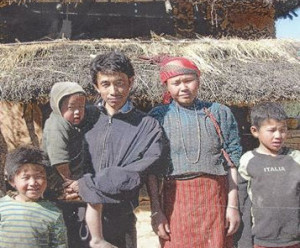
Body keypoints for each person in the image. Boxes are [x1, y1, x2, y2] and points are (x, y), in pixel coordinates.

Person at [65, 51, 165, 248]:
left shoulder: (147, 126)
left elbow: (137, 171)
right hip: (78, 213)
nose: (113, 91)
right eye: (105, 84)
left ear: (131, 81)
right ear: (96, 86)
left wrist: (87, 185)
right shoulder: (84, 118)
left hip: (121, 216)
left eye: (119, 82)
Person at [147, 56, 242, 248]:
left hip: (215, 196)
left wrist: (232, 206)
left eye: (188, 80)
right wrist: (156, 210)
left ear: (198, 80)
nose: (183, 87)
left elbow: (232, 161)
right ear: (167, 86)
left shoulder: (219, 112)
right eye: (176, 83)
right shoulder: (158, 117)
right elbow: (151, 169)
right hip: (175, 200)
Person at [42, 81, 115, 248]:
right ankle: (97, 238)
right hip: (57, 178)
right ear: (57, 106)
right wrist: (70, 184)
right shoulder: (56, 125)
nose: (77, 112)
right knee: (92, 195)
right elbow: (59, 160)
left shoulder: (74, 122)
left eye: (81, 107)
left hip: (72, 175)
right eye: (71, 108)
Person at [238, 102, 300, 248]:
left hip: (295, 240)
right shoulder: (248, 161)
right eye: (271, 130)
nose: (278, 135)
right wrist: (245, 243)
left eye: (283, 130)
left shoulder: (296, 158)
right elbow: (243, 204)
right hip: (261, 241)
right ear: (255, 131)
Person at [0, 145, 68, 248]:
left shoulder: (53, 212)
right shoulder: (2, 207)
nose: (33, 183)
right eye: (26, 177)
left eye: (39, 177)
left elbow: (60, 245)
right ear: (12, 181)